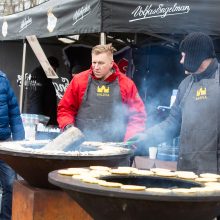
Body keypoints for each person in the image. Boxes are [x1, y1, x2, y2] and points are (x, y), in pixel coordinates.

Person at [128, 32, 220, 174]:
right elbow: (173, 123)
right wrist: (147, 136)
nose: (181, 61)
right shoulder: (185, 84)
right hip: (187, 168)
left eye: (184, 55)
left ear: (196, 55)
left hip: (215, 170)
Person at [57, 44, 146, 143]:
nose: (96, 67)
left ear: (111, 63)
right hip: (81, 147)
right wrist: (68, 127)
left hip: (115, 149)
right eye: (94, 62)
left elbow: (137, 116)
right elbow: (65, 109)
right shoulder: (79, 80)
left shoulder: (127, 84)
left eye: (101, 63)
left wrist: (130, 140)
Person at [0, 70, 25, 220]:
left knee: (11, 184)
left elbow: (14, 114)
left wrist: (20, 143)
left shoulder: (2, 80)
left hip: (4, 145)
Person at [26, 56, 59, 126]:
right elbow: (34, 99)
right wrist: (38, 122)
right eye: (54, 68)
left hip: (46, 120)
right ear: (49, 66)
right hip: (41, 121)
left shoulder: (46, 77)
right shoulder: (37, 75)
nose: (55, 71)